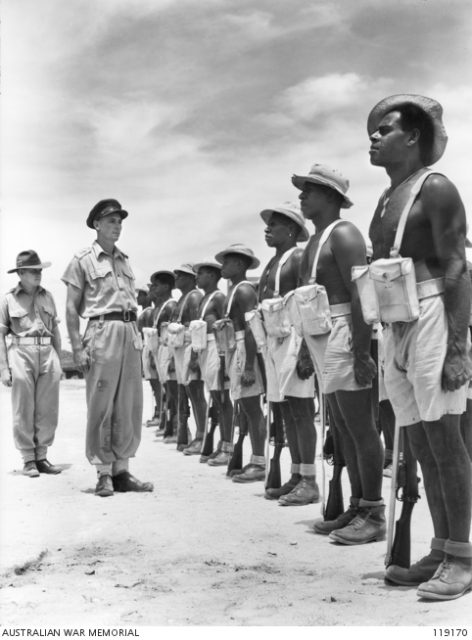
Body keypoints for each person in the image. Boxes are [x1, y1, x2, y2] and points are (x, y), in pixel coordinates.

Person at [367, 94, 471, 599]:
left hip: (432, 312)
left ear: (412, 137)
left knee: (446, 438)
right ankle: (441, 547)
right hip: (395, 320)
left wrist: (457, 348)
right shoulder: (387, 199)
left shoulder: (436, 189)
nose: (374, 137)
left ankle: (463, 558)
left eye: (384, 130)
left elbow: (458, 267)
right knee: (423, 443)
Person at [291, 163, 385, 543]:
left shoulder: (344, 234)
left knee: (361, 426)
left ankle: (373, 512)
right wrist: (302, 347)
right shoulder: (314, 242)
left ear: (330, 197)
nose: (302, 196)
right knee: (342, 427)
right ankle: (357, 503)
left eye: (310, 190)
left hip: (346, 332)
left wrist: (362, 352)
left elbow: (362, 293)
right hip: (321, 335)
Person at [62, 199, 153, 497]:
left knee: (129, 403)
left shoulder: (124, 260)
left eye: (120, 221)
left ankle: (122, 470)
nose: (117, 226)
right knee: (102, 404)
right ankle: (103, 472)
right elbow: (72, 309)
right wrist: (77, 347)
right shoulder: (83, 260)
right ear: (97, 225)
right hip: (101, 332)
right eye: (111, 221)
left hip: (129, 331)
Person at [257, 203, 319, 505]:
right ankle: (295, 474)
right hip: (274, 340)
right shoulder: (272, 263)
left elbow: (308, 300)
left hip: (295, 338)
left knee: (302, 409)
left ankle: (309, 478)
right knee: (287, 411)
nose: (268, 228)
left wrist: (306, 348)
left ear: (292, 229)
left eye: (276, 224)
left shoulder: (297, 257)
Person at [0, 250, 62, 477]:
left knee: (47, 408)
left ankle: (42, 456)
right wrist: (3, 367)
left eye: (40, 270)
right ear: (21, 273)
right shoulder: (8, 299)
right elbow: (0, 334)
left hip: (47, 351)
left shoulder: (49, 296)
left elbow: (55, 329)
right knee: (24, 407)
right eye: (33, 271)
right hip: (20, 350)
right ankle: (28, 459)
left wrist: (58, 360)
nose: (38, 274)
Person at [215, 243, 266, 482]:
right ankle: (252, 459)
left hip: (245, 349)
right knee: (245, 407)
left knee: (253, 408)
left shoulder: (244, 291)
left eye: (227, 261)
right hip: (235, 348)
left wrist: (248, 366)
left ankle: (259, 461)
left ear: (240, 264)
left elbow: (251, 327)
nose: (223, 266)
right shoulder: (234, 290)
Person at [193, 259, 233, 465]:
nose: (197, 277)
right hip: (203, 348)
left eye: (200, 273)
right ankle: (222, 443)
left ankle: (228, 446)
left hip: (216, 348)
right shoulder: (203, 299)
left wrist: (224, 357)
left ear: (211, 275)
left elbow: (226, 326)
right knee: (215, 398)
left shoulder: (218, 297)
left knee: (223, 398)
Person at [170, 264, 207, 454]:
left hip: (189, 347)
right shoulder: (182, 299)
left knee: (196, 392)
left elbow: (197, 329)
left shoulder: (194, 296)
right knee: (187, 392)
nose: (177, 278)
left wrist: (194, 355)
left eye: (181, 275)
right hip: (179, 348)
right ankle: (191, 435)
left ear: (191, 278)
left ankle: (203, 435)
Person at [150, 270, 178, 441]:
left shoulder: (171, 305)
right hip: (160, 347)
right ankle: (170, 425)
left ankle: (177, 427)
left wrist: (172, 357)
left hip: (168, 348)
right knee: (167, 389)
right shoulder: (161, 307)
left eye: (157, 285)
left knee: (174, 391)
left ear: (167, 286)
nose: (153, 288)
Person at [138, 283, 161, 428]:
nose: (138, 297)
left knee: (156, 383)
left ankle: (160, 412)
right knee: (153, 383)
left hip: (149, 347)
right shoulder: (144, 312)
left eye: (141, 294)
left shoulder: (148, 312)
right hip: (145, 348)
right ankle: (158, 412)